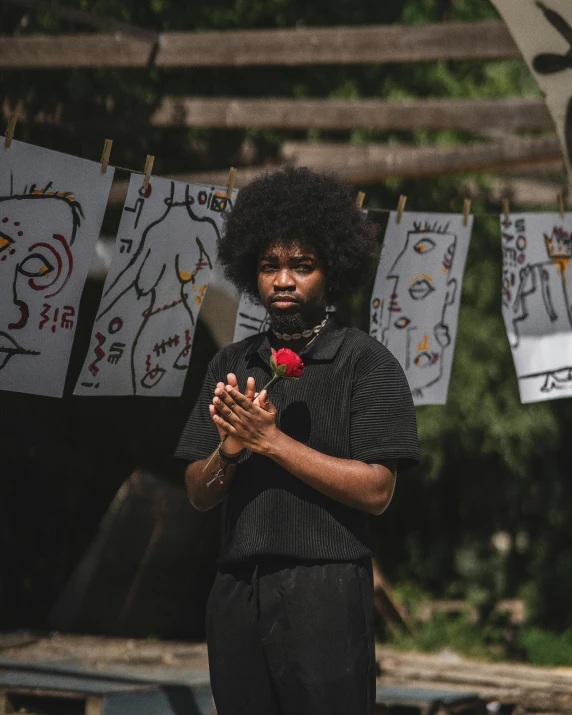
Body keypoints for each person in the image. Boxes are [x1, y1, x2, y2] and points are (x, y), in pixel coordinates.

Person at [175, 166, 420, 715]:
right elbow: (198, 490)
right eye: (269, 266)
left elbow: (378, 490)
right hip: (238, 592)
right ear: (250, 273)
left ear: (331, 271)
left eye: (301, 266)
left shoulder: (366, 362)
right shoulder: (231, 363)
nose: (283, 280)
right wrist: (230, 452)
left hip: (325, 592)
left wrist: (272, 442)